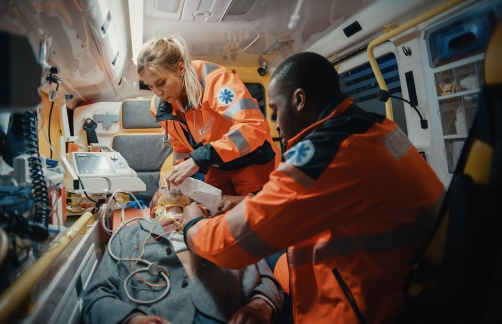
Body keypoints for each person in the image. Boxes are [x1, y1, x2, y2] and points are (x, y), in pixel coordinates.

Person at [181, 52, 446, 323]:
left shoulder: (329, 151)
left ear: (298, 100)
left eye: (275, 110)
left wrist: (192, 226)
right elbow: (313, 197)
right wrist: (250, 200)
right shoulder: (374, 127)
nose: (275, 123)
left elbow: (231, 246)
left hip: (367, 307)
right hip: (389, 276)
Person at [82, 190, 283, 324]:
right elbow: (97, 295)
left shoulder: (225, 228)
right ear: (153, 210)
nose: (173, 187)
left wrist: (261, 305)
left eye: (181, 186)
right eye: (165, 186)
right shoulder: (128, 236)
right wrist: (132, 319)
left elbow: (266, 278)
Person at [137, 34, 280, 196]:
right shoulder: (158, 107)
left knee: (249, 217)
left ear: (181, 68)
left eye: (161, 82)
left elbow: (252, 127)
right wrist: (179, 178)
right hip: (216, 164)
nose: (158, 92)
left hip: (252, 160)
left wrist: (200, 159)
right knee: (211, 214)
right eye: (150, 87)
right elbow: (181, 146)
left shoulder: (216, 80)